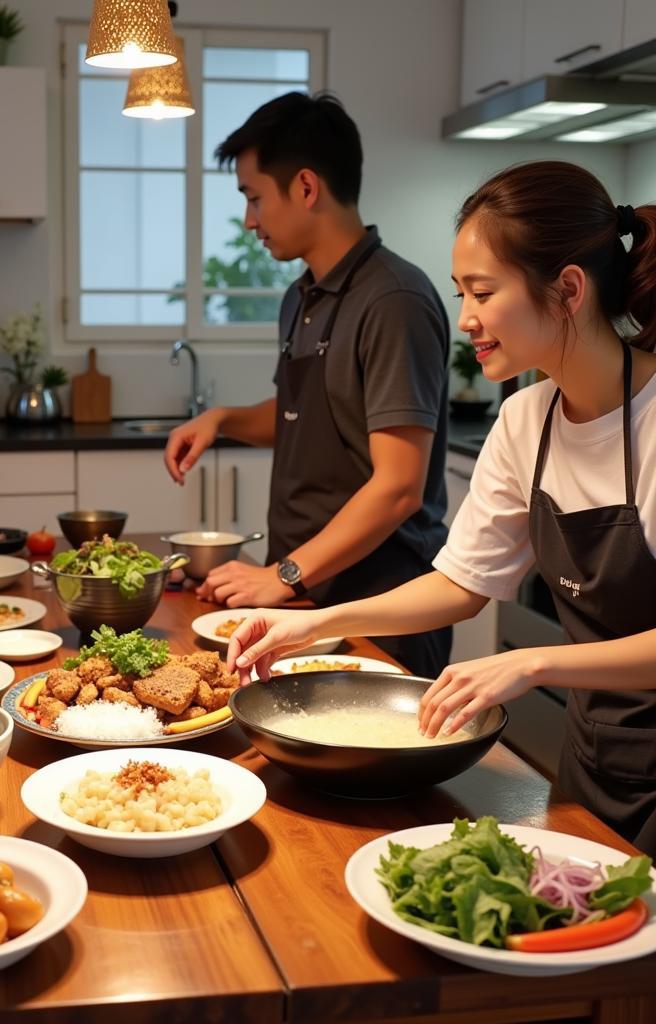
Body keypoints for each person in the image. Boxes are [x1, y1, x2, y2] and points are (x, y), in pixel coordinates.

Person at [226, 160, 656, 856]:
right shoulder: (526, 420)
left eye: (482, 293)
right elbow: (460, 585)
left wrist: (536, 663)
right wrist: (314, 622)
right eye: (461, 293)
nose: (466, 321)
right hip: (597, 759)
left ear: (568, 289)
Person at [163, 92, 451, 678]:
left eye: (253, 197)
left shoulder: (393, 299)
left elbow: (399, 488)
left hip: (376, 602)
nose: (249, 220)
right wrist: (220, 420)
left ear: (306, 187)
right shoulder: (303, 296)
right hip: (305, 590)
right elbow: (304, 411)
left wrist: (284, 572)